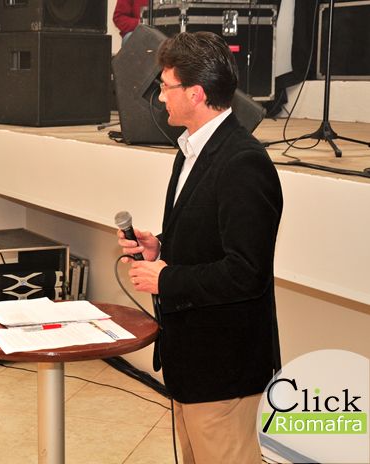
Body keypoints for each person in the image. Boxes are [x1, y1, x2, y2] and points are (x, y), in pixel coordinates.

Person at [117, 31, 283, 464]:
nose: (159, 98)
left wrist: (167, 279)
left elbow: (246, 273)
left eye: (166, 87)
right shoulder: (190, 150)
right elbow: (208, 236)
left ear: (196, 93)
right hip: (192, 363)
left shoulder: (243, 162)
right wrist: (160, 247)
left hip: (224, 369)